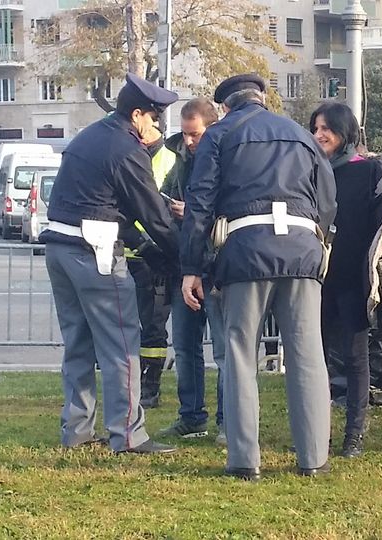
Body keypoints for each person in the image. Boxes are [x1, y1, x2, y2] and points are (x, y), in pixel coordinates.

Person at [180, 74, 336, 481]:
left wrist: (192, 267)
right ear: (264, 100)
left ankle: (245, 460)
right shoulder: (300, 134)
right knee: (307, 354)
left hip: (246, 249)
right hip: (302, 248)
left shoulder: (219, 136)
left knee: (239, 353)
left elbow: (200, 204)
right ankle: (313, 457)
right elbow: (328, 199)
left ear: (227, 107)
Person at [41, 73, 180, 454]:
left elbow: (102, 203)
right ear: (137, 115)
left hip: (59, 247)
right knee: (121, 345)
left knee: (79, 344)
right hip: (95, 252)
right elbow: (154, 215)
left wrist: (144, 245)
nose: (156, 126)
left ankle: (76, 430)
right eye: (153, 117)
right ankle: (129, 435)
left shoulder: (90, 135)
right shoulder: (126, 149)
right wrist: (183, 258)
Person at [310, 102, 382, 458]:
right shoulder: (309, 170)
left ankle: (354, 433)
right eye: (317, 127)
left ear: (346, 132)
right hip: (315, 278)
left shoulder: (369, 171)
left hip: (354, 278)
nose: (321, 134)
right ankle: (316, 431)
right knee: (316, 358)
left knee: (355, 358)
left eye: (328, 128)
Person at [156, 97, 227, 442]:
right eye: (184, 135)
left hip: (217, 268)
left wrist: (200, 215)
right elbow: (162, 196)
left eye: (194, 135)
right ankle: (192, 416)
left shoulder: (228, 158)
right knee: (184, 346)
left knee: (225, 352)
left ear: (212, 129)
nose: (188, 142)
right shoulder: (181, 161)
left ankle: (228, 421)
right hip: (184, 265)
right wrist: (172, 209)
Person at [120, 118, 177, 409]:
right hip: (128, 252)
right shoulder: (128, 154)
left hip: (158, 256)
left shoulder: (170, 158)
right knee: (126, 324)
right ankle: (131, 381)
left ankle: (151, 386)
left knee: (154, 325)